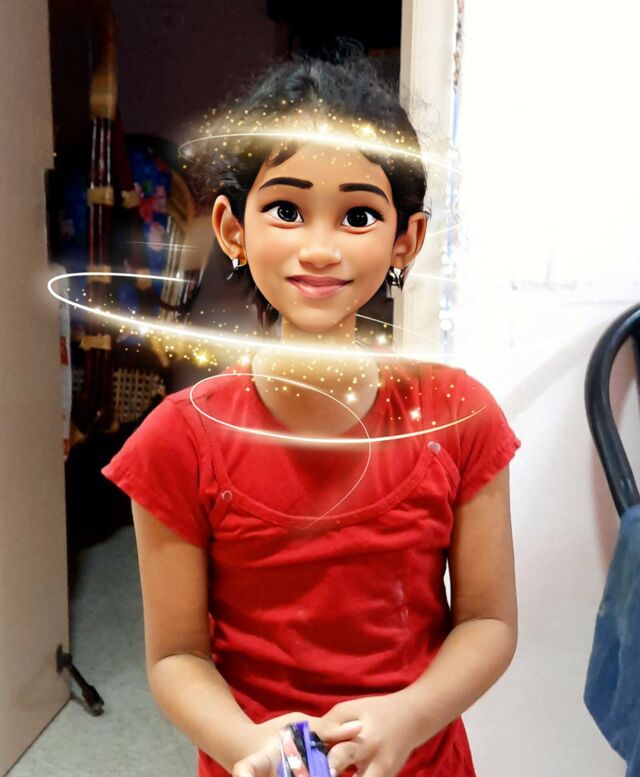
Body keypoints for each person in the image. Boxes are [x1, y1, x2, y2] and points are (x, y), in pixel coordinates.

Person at [101, 39, 522, 777]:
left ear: (406, 239)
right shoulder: (178, 441)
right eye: (287, 209)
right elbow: (175, 657)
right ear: (233, 229)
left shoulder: (461, 418)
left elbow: (488, 620)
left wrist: (409, 716)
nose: (321, 248)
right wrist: (248, 745)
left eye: (357, 215)